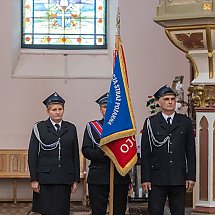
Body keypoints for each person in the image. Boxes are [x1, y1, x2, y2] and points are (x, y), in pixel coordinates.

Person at [141, 85, 196, 215]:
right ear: (159, 102)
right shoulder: (151, 122)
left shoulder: (184, 121)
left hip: (178, 176)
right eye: (166, 99)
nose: (170, 102)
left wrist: (191, 176)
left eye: (172, 99)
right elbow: (146, 153)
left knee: (178, 212)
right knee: (155, 211)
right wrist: (145, 178)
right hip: (157, 178)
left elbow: (190, 151)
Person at [28, 92, 80, 215]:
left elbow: (75, 155)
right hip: (46, 179)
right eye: (54, 109)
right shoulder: (40, 128)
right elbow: (32, 155)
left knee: (63, 211)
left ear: (63, 110)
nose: (57, 112)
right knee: (47, 211)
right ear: (48, 111)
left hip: (64, 178)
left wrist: (75, 179)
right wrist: (34, 179)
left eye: (60, 109)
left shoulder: (71, 128)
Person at [82, 92, 131, 215]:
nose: (108, 110)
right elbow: (86, 150)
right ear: (100, 109)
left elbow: (130, 149)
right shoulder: (92, 127)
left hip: (120, 176)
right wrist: (106, 153)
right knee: (98, 211)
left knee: (119, 211)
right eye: (105, 107)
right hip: (98, 176)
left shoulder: (124, 127)